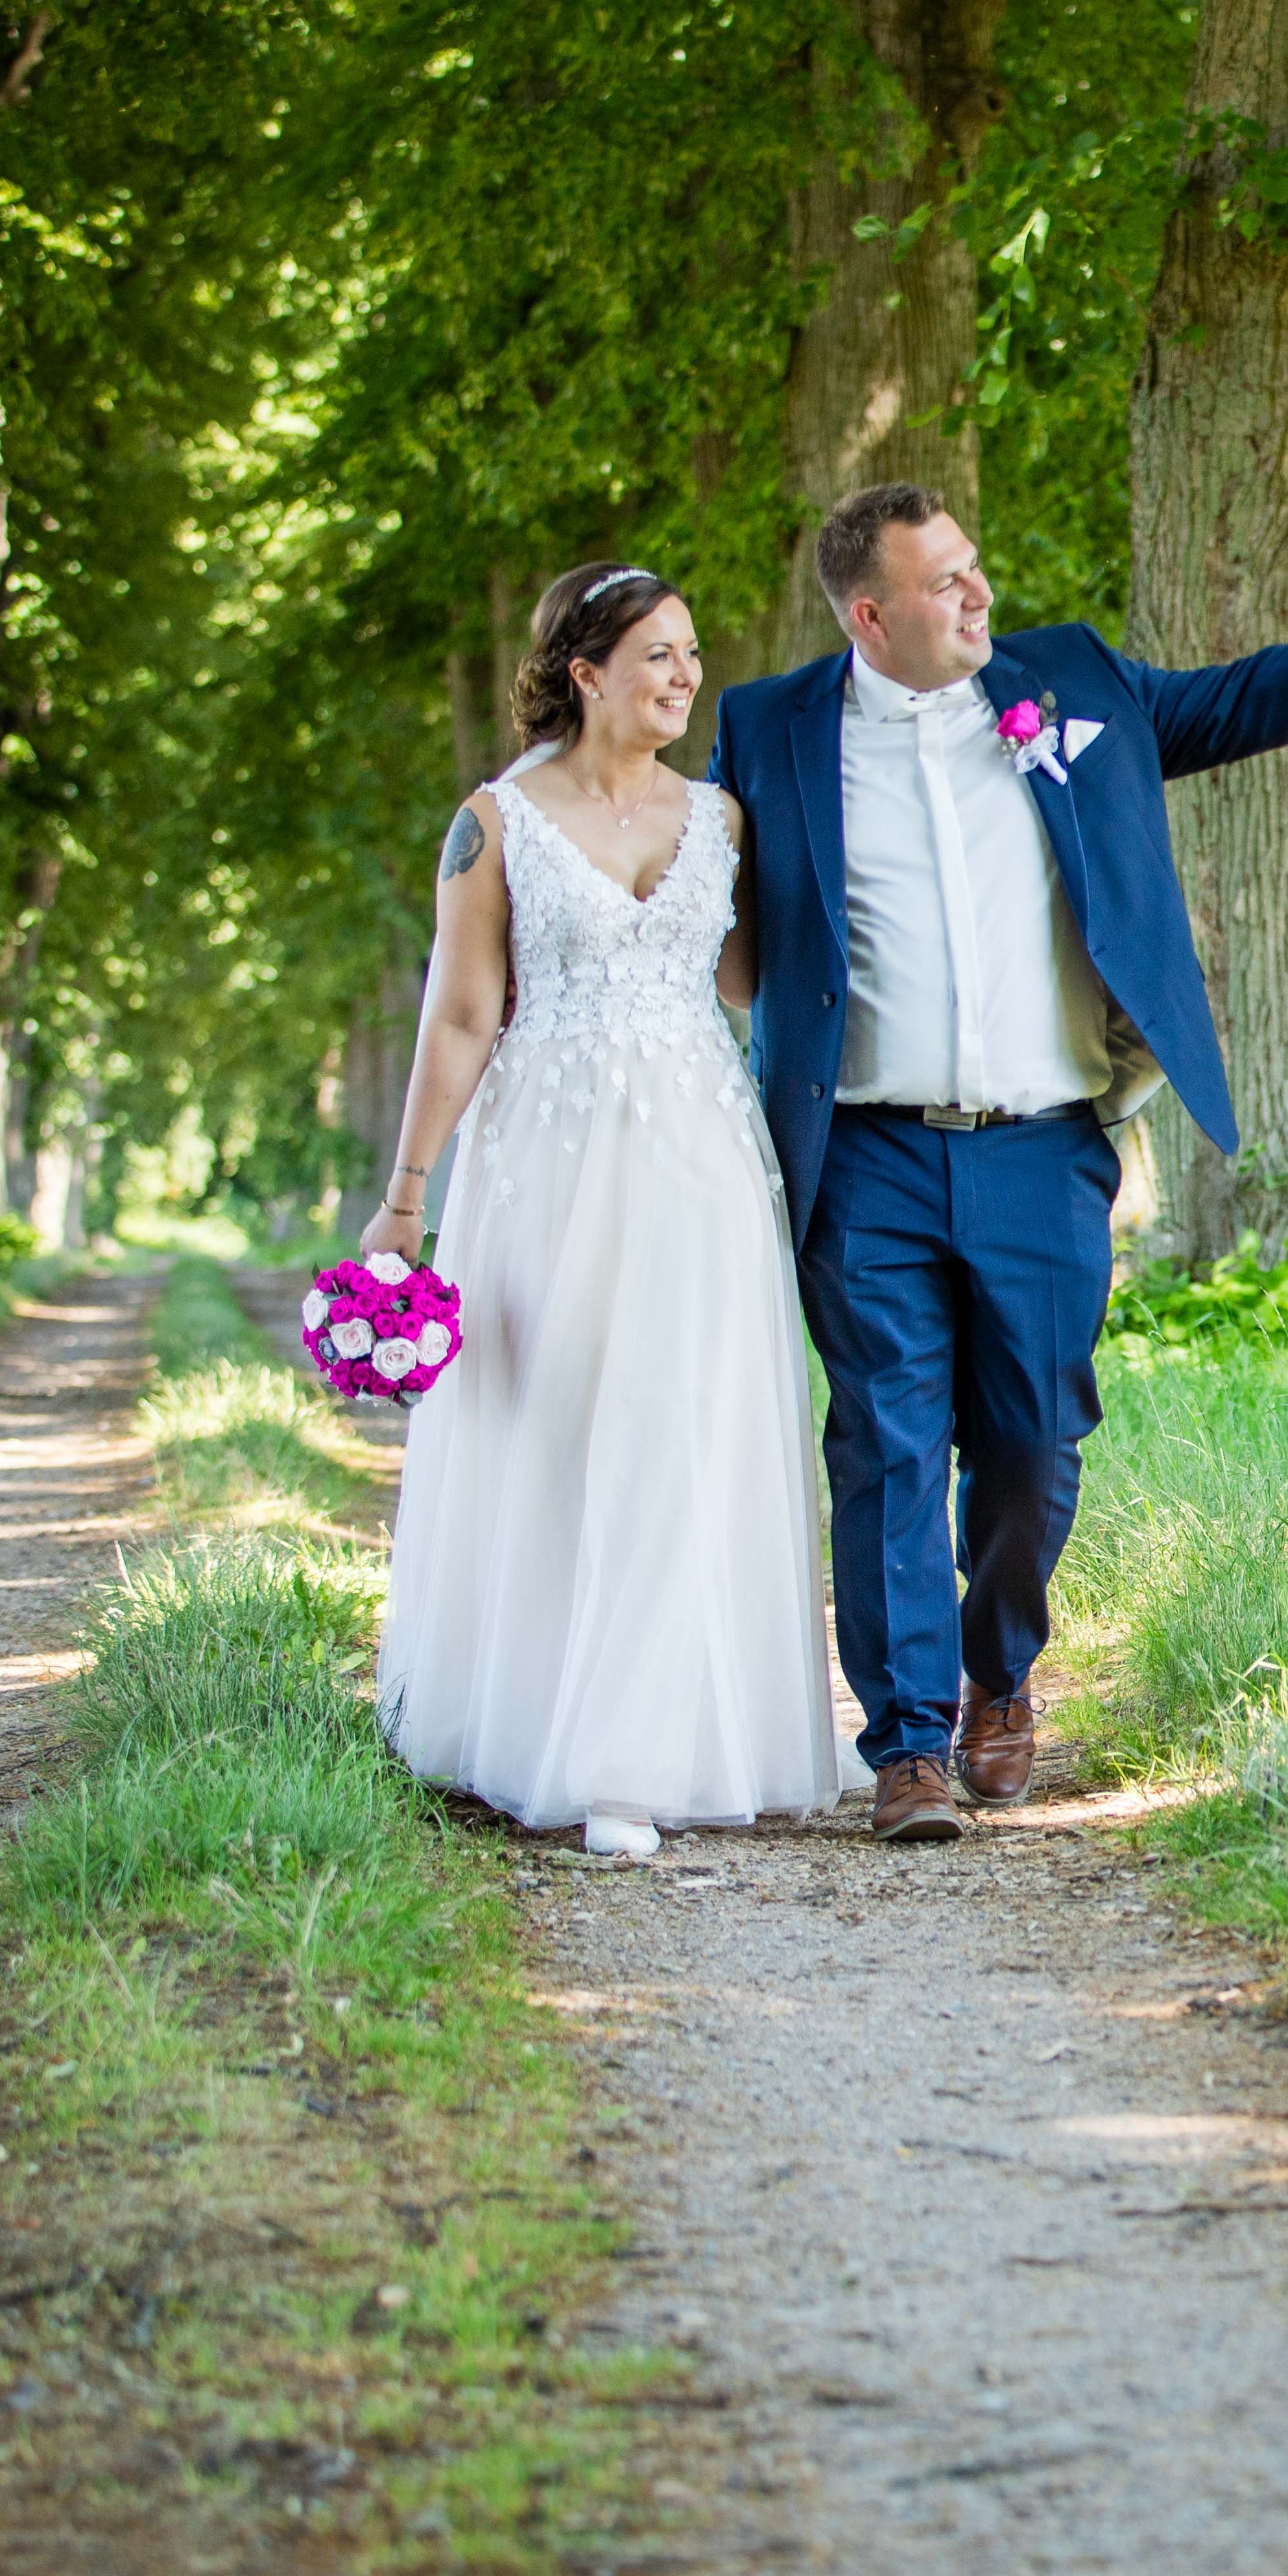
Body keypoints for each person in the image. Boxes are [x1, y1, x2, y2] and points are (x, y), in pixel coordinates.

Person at [717, 483, 1288, 1840]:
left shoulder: (1073, 681)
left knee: (1033, 1443)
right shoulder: (769, 727)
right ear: (870, 615)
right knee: (886, 1442)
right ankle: (907, 1744)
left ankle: (997, 1670)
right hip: (863, 1151)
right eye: (945, 583)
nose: (979, 595)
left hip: (1045, 1143)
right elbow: (690, 872)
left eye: (977, 568)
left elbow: (1239, 700)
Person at [361, 564, 845, 1857]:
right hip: (547, 1162)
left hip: (700, 1156)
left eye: (691, 656)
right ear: (584, 671)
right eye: (656, 656)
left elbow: (750, 983)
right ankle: (545, 1730)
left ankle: (663, 1738)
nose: (684, 678)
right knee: (560, 1421)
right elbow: (462, 1014)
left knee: (686, 1422)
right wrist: (406, 1193)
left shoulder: (726, 820)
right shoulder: (496, 821)